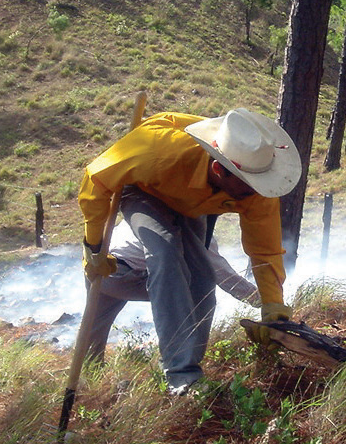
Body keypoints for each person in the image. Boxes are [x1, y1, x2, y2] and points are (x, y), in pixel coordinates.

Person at [78, 108, 301, 395]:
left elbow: (265, 250)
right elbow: (96, 179)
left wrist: (272, 305)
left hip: (194, 203)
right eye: (248, 188)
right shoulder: (159, 152)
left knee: (203, 280)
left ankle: (192, 373)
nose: (256, 194)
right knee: (165, 252)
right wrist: (94, 248)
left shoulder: (254, 183)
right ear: (220, 169)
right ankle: (181, 377)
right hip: (146, 190)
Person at [86, 218, 261, 364]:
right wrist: (261, 301)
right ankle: (179, 359)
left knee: (95, 325)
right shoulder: (194, 232)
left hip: (98, 267)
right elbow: (223, 276)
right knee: (191, 289)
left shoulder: (146, 215)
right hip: (124, 274)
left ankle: (90, 367)